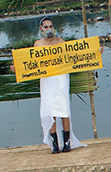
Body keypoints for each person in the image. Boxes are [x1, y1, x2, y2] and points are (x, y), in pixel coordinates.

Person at [35, 17, 82, 154]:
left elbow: (74, 56)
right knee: (50, 109)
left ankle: (67, 142)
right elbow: (31, 63)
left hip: (60, 77)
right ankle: (55, 143)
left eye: (51, 26)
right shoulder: (38, 44)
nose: (49, 29)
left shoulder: (61, 42)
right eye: (46, 27)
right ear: (41, 29)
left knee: (63, 107)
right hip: (47, 79)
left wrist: (96, 51)